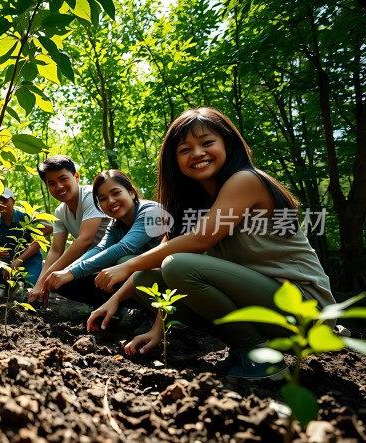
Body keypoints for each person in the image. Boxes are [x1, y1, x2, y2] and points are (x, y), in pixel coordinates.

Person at [88, 107, 335, 380]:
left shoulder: (245, 180)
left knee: (168, 265)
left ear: (227, 144)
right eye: (185, 149)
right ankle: (243, 346)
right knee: (145, 278)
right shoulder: (197, 205)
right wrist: (139, 317)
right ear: (174, 160)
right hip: (263, 302)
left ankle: (259, 353)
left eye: (207, 143)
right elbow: (162, 265)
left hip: (305, 309)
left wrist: (126, 267)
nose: (197, 153)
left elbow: (197, 243)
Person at [45, 170, 165, 309]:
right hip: (144, 277)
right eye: (103, 199)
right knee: (64, 283)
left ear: (131, 192)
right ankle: (124, 309)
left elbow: (124, 247)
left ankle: (153, 312)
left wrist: (71, 273)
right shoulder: (116, 224)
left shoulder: (151, 212)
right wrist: (67, 271)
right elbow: (100, 249)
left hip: (168, 275)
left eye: (116, 193)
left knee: (123, 261)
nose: (111, 201)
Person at [28, 155, 111, 307]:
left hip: (116, 258)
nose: (59, 186)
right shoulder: (60, 212)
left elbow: (84, 240)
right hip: (95, 264)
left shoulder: (91, 196)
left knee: (58, 277)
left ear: (76, 177)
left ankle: (123, 306)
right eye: (52, 183)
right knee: (56, 283)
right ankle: (103, 305)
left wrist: (45, 279)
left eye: (63, 179)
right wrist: (41, 283)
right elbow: (56, 250)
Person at [0, 188, 52, 293]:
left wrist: (19, 259)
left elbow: (49, 227)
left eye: (4, 200)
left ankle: (28, 282)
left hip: (30, 259)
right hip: (8, 261)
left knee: (31, 284)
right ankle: (10, 286)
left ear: (13, 201)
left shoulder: (25, 217)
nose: (1, 204)